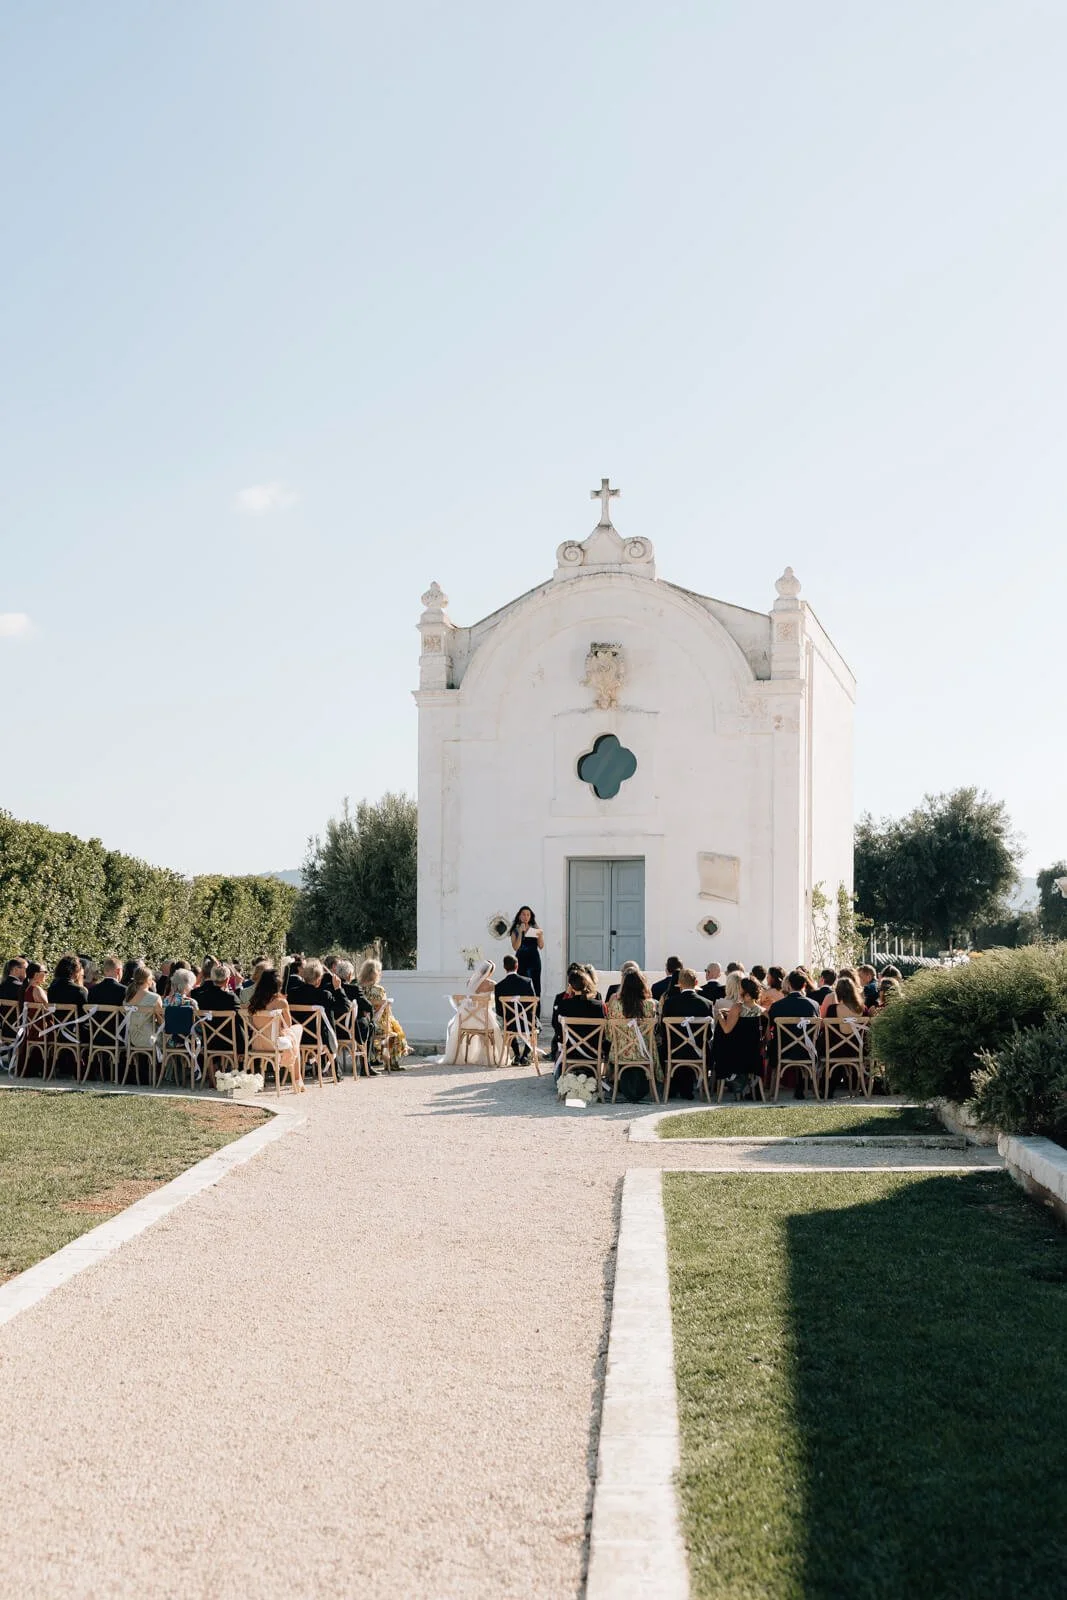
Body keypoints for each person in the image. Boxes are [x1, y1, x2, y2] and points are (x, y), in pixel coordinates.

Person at [605, 967, 659, 1102]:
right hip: (644, 1051)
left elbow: (609, 1035)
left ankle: (614, 1084)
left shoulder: (616, 1005)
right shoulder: (650, 1005)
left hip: (621, 1052)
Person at [247, 967, 304, 1091]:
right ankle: (297, 1080)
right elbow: (287, 1025)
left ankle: (297, 1080)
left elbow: (252, 1024)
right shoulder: (281, 1002)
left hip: (257, 1044)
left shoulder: (254, 1002)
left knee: (294, 1037)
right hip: (274, 1044)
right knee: (297, 1030)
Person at [659, 967, 711, 1099]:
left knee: (661, 1048)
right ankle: (687, 1089)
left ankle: (671, 1086)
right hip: (697, 1050)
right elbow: (709, 1035)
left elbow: (663, 1031)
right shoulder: (706, 1004)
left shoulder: (670, 1003)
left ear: (679, 984)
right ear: (696, 982)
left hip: (673, 1050)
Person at [768, 970, 821, 1099]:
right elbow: (817, 1031)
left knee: (772, 1042)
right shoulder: (814, 1005)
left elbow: (770, 1031)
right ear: (804, 986)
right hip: (806, 1050)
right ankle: (805, 1086)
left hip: (782, 1051)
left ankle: (772, 1092)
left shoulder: (777, 1006)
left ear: (789, 985)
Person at [712, 975, 765, 1098]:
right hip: (754, 1056)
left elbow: (726, 1029)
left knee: (720, 1037)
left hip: (734, 1056)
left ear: (744, 991)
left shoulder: (737, 1008)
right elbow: (765, 1037)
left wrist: (719, 1015)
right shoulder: (763, 1012)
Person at [443, 959, 503, 1066]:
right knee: (494, 1029)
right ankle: (489, 1058)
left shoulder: (470, 982)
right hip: (482, 1020)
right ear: (490, 972)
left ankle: (459, 1057)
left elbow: (470, 999)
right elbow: (496, 1000)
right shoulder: (492, 984)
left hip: (466, 1019)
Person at [554, 963, 606, 1079]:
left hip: (571, 1051)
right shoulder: (598, 1006)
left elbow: (558, 1030)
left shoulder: (564, 1005)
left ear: (571, 986)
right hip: (593, 1052)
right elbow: (604, 1033)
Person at [359, 958, 409, 1069]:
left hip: (359, 1024)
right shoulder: (379, 990)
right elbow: (385, 1010)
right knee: (394, 1033)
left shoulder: (358, 988)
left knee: (393, 1028)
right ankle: (391, 1063)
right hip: (378, 1025)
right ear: (375, 973)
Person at [285, 957, 339, 1057]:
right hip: (317, 1038)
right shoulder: (324, 995)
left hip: (296, 1037)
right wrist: (338, 989)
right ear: (319, 979)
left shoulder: (292, 993)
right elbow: (343, 1007)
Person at [493, 955, 536, 1063]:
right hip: (527, 1022)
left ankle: (517, 1055)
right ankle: (525, 1055)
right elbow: (533, 1004)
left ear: (504, 967)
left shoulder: (499, 986)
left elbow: (499, 1011)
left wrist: (511, 1016)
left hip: (510, 1024)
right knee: (537, 1026)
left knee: (507, 1023)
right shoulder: (527, 981)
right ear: (517, 966)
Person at [125, 963, 163, 1080]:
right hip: (149, 1039)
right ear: (148, 980)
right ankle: (162, 1075)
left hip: (131, 1037)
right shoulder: (154, 997)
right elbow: (162, 1022)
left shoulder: (128, 997)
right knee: (166, 1035)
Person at [509, 907, 544, 1011]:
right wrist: (520, 932)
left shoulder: (534, 928)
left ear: (531, 916)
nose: (526, 917)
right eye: (523, 914)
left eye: (528, 914)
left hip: (534, 961)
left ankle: (535, 1016)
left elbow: (541, 946)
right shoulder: (515, 929)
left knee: (536, 988)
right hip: (521, 961)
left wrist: (540, 934)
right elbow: (516, 947)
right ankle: (522, 1014)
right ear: (519, 916)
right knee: (522, 987)